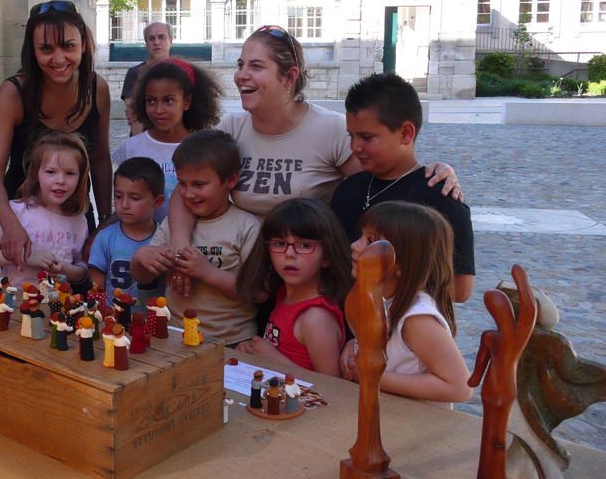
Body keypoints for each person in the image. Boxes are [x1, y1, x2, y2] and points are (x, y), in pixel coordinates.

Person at [166, 25, 460, 247]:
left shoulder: (331, 129)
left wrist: (431, 172)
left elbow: (381, 183)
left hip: (305, 278)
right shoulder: (232, 128)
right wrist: (180, 248)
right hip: (243, 274)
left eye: (256, 66)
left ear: (289, 77)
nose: (242, 75)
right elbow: (186, 187)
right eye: (241, 65)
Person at [0, 0, 112, 270]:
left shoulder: (97, 88)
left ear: (84, 45)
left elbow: (100, 159)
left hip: (75, 215)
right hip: (23, 221)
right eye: (46, 49)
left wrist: (105, 223)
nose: (59, 59)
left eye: (69, 46)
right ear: (33, 50)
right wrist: (11, 226)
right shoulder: (13, 93)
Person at [329, 72, 475, 302]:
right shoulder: (349, 188)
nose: (355, 147)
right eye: (352, 136)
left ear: (406, 133)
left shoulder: (439, 199)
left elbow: (460, 290)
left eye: (367, 137)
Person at [131, 130, 261, 346]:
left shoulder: (246, 226)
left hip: (231, 341)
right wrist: (141, 257)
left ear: (231, 180)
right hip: (174, 335)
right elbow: (143, 277)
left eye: (199, 185)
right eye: (182, 183)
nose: (189, 193)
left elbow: (259, 292)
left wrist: (206, 272)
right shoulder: (173, 224)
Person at [341, 201, 473, 406]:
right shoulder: (374, 297)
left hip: (417, 425)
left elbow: (460, 387)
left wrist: (374, 376)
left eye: (370, 241)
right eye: (361, 236)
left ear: (402, 263)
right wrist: (353, 345)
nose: (355, 245)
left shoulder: (417, 320)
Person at [234, 198, 353, 377]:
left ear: (327, 256)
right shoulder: (285, 294)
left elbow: (333, 387)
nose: (289, 254)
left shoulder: (316, 318)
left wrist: (271, 358)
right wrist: (251, 352)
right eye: (280, 243)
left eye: (305, 245)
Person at [0, 131, 90, 290]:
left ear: (80, 178)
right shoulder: (15, 212)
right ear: (35, 174)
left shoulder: (79, 221)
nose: (60, 181)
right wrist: (25, 257)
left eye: (70, 173)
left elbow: (83, 271)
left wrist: (65, 268)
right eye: (50, 172)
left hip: (58, 308)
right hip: (14, 306)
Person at [111, 58, 222, 224]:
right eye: (151, 100)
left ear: (187, 102)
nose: (158, 110)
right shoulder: (131, 148)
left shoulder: (206, 149)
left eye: (168, 100)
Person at [88, 157, 164, 304]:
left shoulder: (166, 239)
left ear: (158, 202)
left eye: (135, 198)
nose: (124, 204)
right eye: (118, 196)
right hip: (113, 321)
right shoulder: (105, 238)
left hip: (154, 322)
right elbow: (96, 288)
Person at [121, 21, 173, 136]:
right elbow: (134, 116)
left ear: (171, 41)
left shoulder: (182, 72)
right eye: (151, 38)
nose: (156, 42)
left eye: (161, 37)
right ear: (146, 43)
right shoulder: (134, 73)